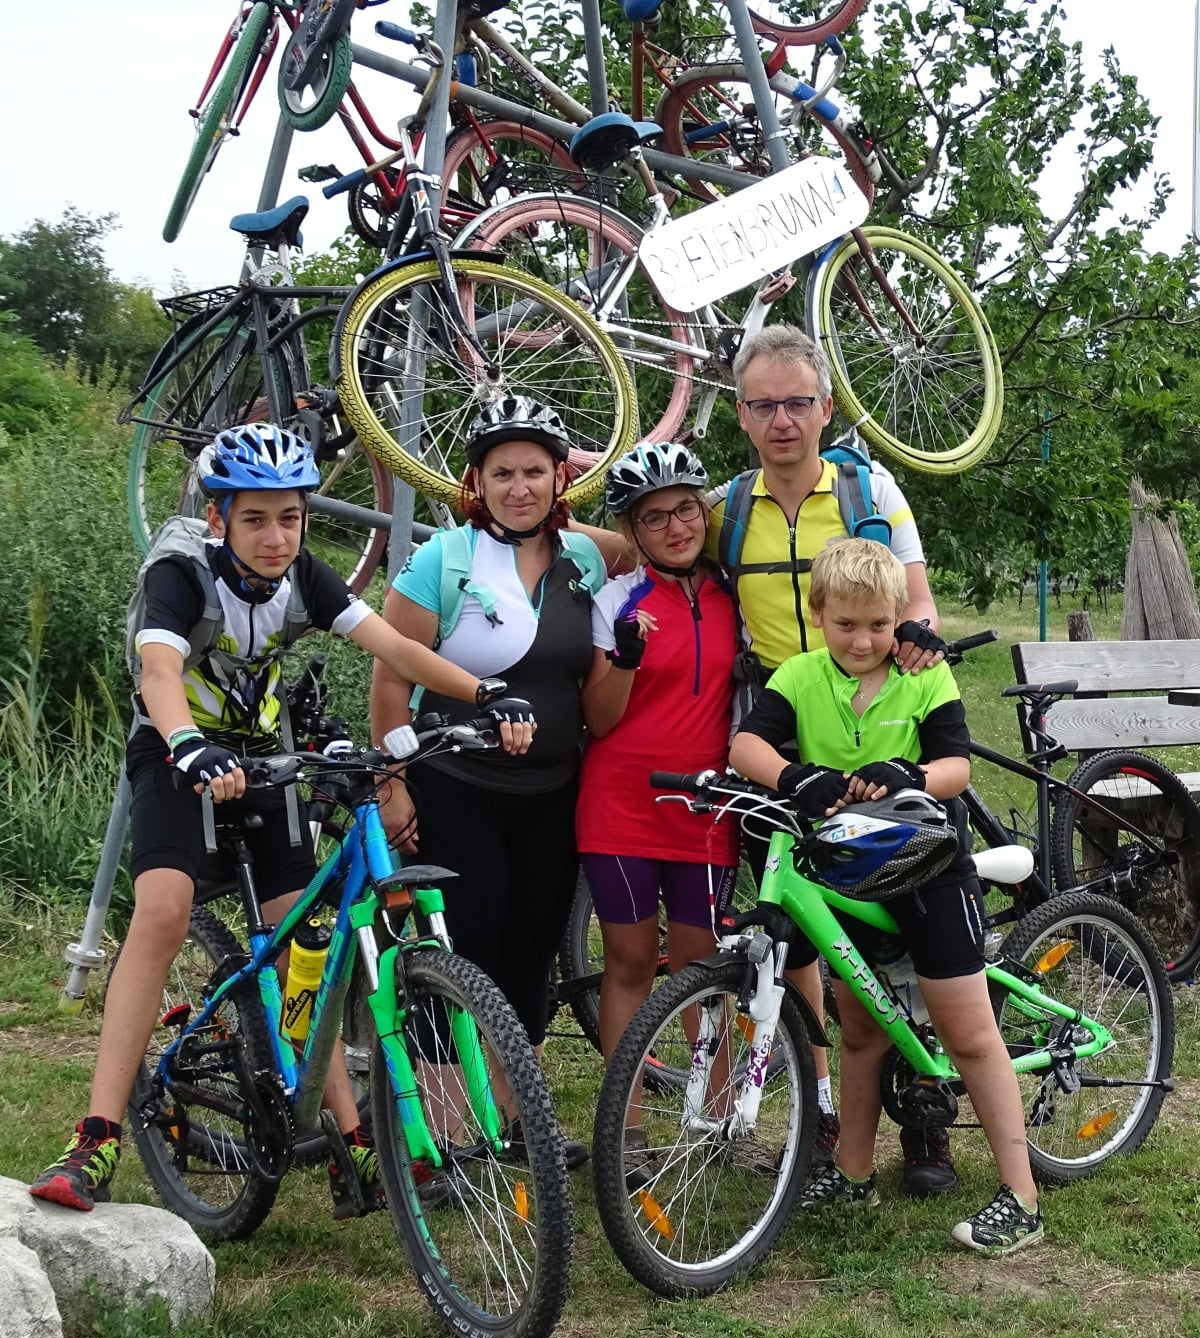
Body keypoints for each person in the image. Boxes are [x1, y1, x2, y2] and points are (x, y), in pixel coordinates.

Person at [31, 423, 533, 1217]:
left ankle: (347, 1139)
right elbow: (160, 671)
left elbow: (394, 647)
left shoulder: (304, 576)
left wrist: (482, 694)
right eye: (256, 518)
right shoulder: (180, 574)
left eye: (291, 517)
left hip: (266, 758)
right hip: (176, 752)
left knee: (308, 939)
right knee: (162, 913)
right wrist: (190, 744)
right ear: (219, 517)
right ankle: (95, 1134)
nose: (276, 537)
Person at [728, 538, 1043, 1255]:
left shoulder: (923, 677)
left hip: (929, 866)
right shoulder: (800, 675)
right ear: (819, 616)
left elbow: (956, 768)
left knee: (967, 1034)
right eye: (845, 625)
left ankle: (1021, 1195)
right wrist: (792, 777)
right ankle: (853, 1171)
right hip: (849, 875)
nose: (862, 639)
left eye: (876, 624)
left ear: (897, 617)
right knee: (862, 1028)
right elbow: (746, 747)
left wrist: (910, 774)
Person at [709, 322, 953, 1196]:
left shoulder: (864, 486)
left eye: (798, 403)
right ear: (740, 415)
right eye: (765, 405)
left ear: (827, 408)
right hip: (787, 735)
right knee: (805, 927)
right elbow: (650, 541)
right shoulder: (725, 508)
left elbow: (913, 594)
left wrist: (916, 649)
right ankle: (823, 1107)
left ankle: (928, 1118)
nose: (783, 420)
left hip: (880, 725)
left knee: (910, 924)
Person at [370, 396, 608, 1168]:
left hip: (552, 794)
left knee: (530, 950)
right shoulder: (446, 558)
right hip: (456, 785)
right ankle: (440, 1137)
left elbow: (646, 539)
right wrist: (391, 782)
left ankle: (515, 1122)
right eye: (502, 473)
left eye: (535, 471)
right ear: (476, 481)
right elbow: (390, 674)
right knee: (461, 950)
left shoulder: (585, 561)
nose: (519, 487)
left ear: (559, 477)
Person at [577, 443, 740, 1097]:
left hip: (704, 807)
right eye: (654, 518)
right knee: (631, 961)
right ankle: (630, 1124)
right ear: (630, 531)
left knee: (705, 966)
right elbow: (601, 720)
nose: (676, 528)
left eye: (686, 510)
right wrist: (623, 658)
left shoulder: (733, 597)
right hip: (621, 805)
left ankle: (724, 1112)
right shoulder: (616, 599)